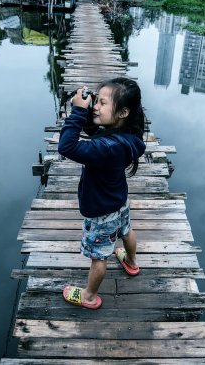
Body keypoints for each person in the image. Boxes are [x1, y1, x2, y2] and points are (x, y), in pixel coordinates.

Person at [58, 77, 147, 309]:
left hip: (100, 212)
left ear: (123, 112)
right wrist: (87, 113)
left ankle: (89, 296)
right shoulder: (128, 137)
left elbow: (66, 146)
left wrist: (78, 112)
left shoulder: (107, 148)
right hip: (119, 201)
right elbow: (96, 133)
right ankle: (131, 261)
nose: (95, 106)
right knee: (126, 231)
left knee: (98, 257)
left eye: (102, 103)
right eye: (95, 101)